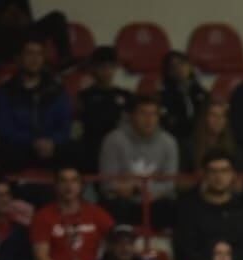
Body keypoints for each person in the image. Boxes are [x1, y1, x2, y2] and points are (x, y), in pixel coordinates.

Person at [30, 167, 116, 260]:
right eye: (63, 181)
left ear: (81, 185)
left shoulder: (96, 213)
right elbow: (40, 257)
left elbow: (117, 241)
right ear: (56, 186)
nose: (69, 186)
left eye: (74, 181)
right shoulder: (43, 216)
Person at [0, 37, 74, 173]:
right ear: (19, 58)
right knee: (5, 152)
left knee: (73, 150)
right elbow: (5, 129)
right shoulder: (5, 92)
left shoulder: (57, 91)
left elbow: (65, 126)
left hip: (51, 147)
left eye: (39, 54)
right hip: (20, 147)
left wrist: (51, 141)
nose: (34, 59)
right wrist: (34, 142)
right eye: (29, 53)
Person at [98, 94, 180, 228]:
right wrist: (135, 189)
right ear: (131, 116)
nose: (149, 119)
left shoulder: (169, 142)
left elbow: (169, 184)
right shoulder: (113, 140)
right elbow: (107, 183)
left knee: (172, 206)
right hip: (123, 201)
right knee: (111, 204)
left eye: (153, 114)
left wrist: (139, 189)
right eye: (143, 113)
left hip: (155, 200)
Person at [76, 46, 132, 174]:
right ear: (94, 69)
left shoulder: (126, 95)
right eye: (102, 67)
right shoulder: (85, 96)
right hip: (92, 147)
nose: (107, 72)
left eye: (111, 67)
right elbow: (81, 125)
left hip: (119, 147)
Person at [159, 51, 209, 144]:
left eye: (182, 63)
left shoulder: (200, 92)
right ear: (168, 71)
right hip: (177, 139)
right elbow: (169, 122)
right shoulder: (165, 95)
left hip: (201, 137)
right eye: (174, 66)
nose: (179, 68)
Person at [184, 102, 243, 174]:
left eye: (223, 115)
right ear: (204, 118)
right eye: (213, 115)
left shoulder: (234, 146)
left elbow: (240, 180)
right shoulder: (190, 145)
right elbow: (180, 181)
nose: (218, 119)